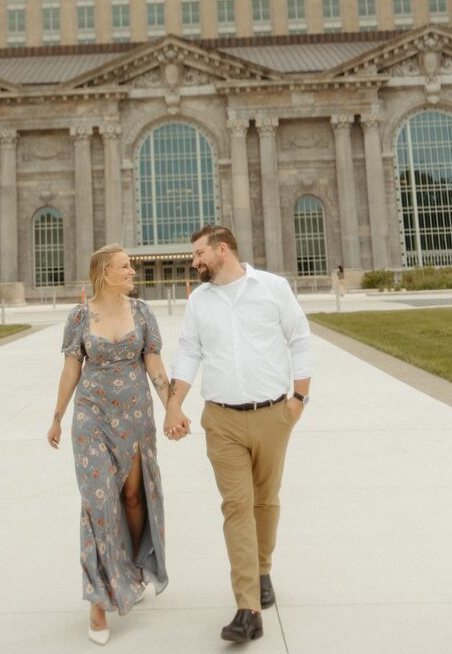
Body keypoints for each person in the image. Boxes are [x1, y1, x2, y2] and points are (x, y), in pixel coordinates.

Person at [164, 225, 311, 644]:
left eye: (199, 254)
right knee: (236, 506)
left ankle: (263, 568)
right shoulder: (200, 301)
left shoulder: (272, 288)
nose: (193, 262)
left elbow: (299, 339)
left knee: (265, 501)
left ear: (222, 250)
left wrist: (299, 398)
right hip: (221, 419)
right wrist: (176, 403)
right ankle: (248, 607)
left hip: (272, 415)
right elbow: (189, 351)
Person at [48, 244, 173, 645]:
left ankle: (135, 569)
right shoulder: (81, 317)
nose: (132, 272)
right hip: (91, 418)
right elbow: (71, 369)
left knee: (134, 499)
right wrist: (56, 416)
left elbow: (154, 364)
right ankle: (98, 601)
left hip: (136, 419)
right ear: (105, 272)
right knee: (98, 502)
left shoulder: (142, 312)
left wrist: (172, 407)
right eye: (125, 266)